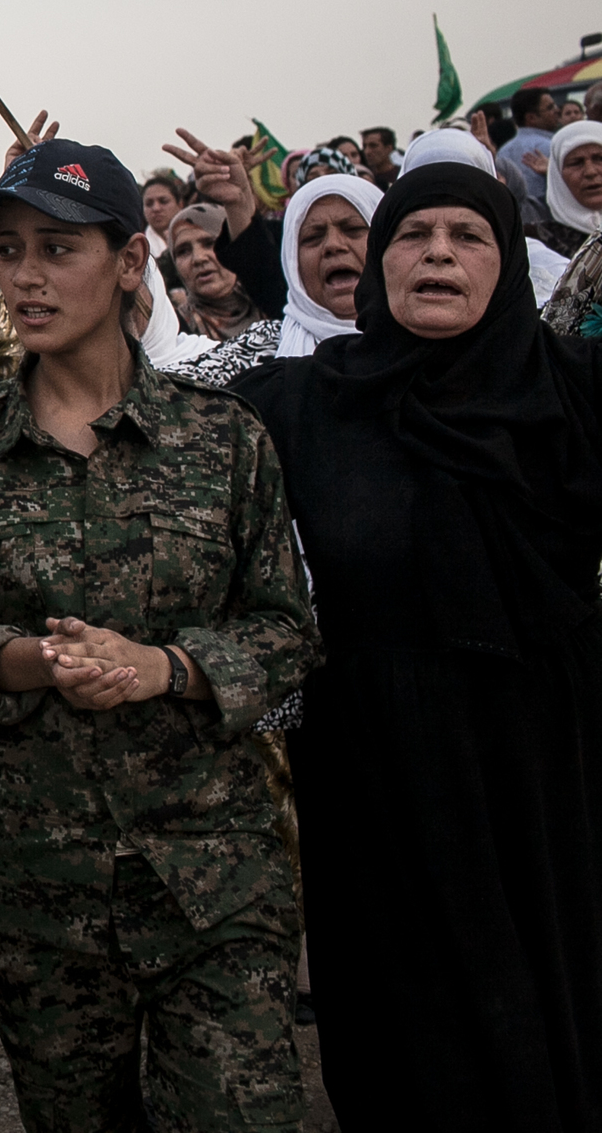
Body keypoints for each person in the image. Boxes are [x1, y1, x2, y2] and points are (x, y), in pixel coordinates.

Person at [0, 139, 316, 1132]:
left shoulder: (222, 438)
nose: (28, 274)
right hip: (36, 885)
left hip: (210, 877)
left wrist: (164, 667)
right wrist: (15, 659)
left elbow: (286, 631)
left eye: (59, 247)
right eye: (10, 247)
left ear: (130, 260)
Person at [235, 162, 602, 1128]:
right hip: (373, 769)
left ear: (509, 263)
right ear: (383, 264)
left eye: (467, 235)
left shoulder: (574, 397)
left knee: (549, 998)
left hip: (544, 764)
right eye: (414, 234)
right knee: (406, 1026)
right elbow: (138, 431)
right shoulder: (300, 403)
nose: (438, 252)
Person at [168, 174, 381, 389]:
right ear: (292, 261)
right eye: (313, 237)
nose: (333, 245)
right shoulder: (260, 351)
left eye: (353, 230)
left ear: (386, 241)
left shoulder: (413, 341)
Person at [166, 203, 267, 340]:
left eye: (210, 243)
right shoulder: (175, 332)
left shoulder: (275, 306)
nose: (198, 258)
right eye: (183, 251)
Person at [498, 85, 565, 231]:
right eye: (550, 108)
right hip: (552, 229)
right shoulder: (552, 147)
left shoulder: (503, 151)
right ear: (531, 118)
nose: (557, 110)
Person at [539, 117, 602, 258]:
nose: (590, 172)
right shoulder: (539, 243)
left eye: (599, 158)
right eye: (576, 163)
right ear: (558, 175)